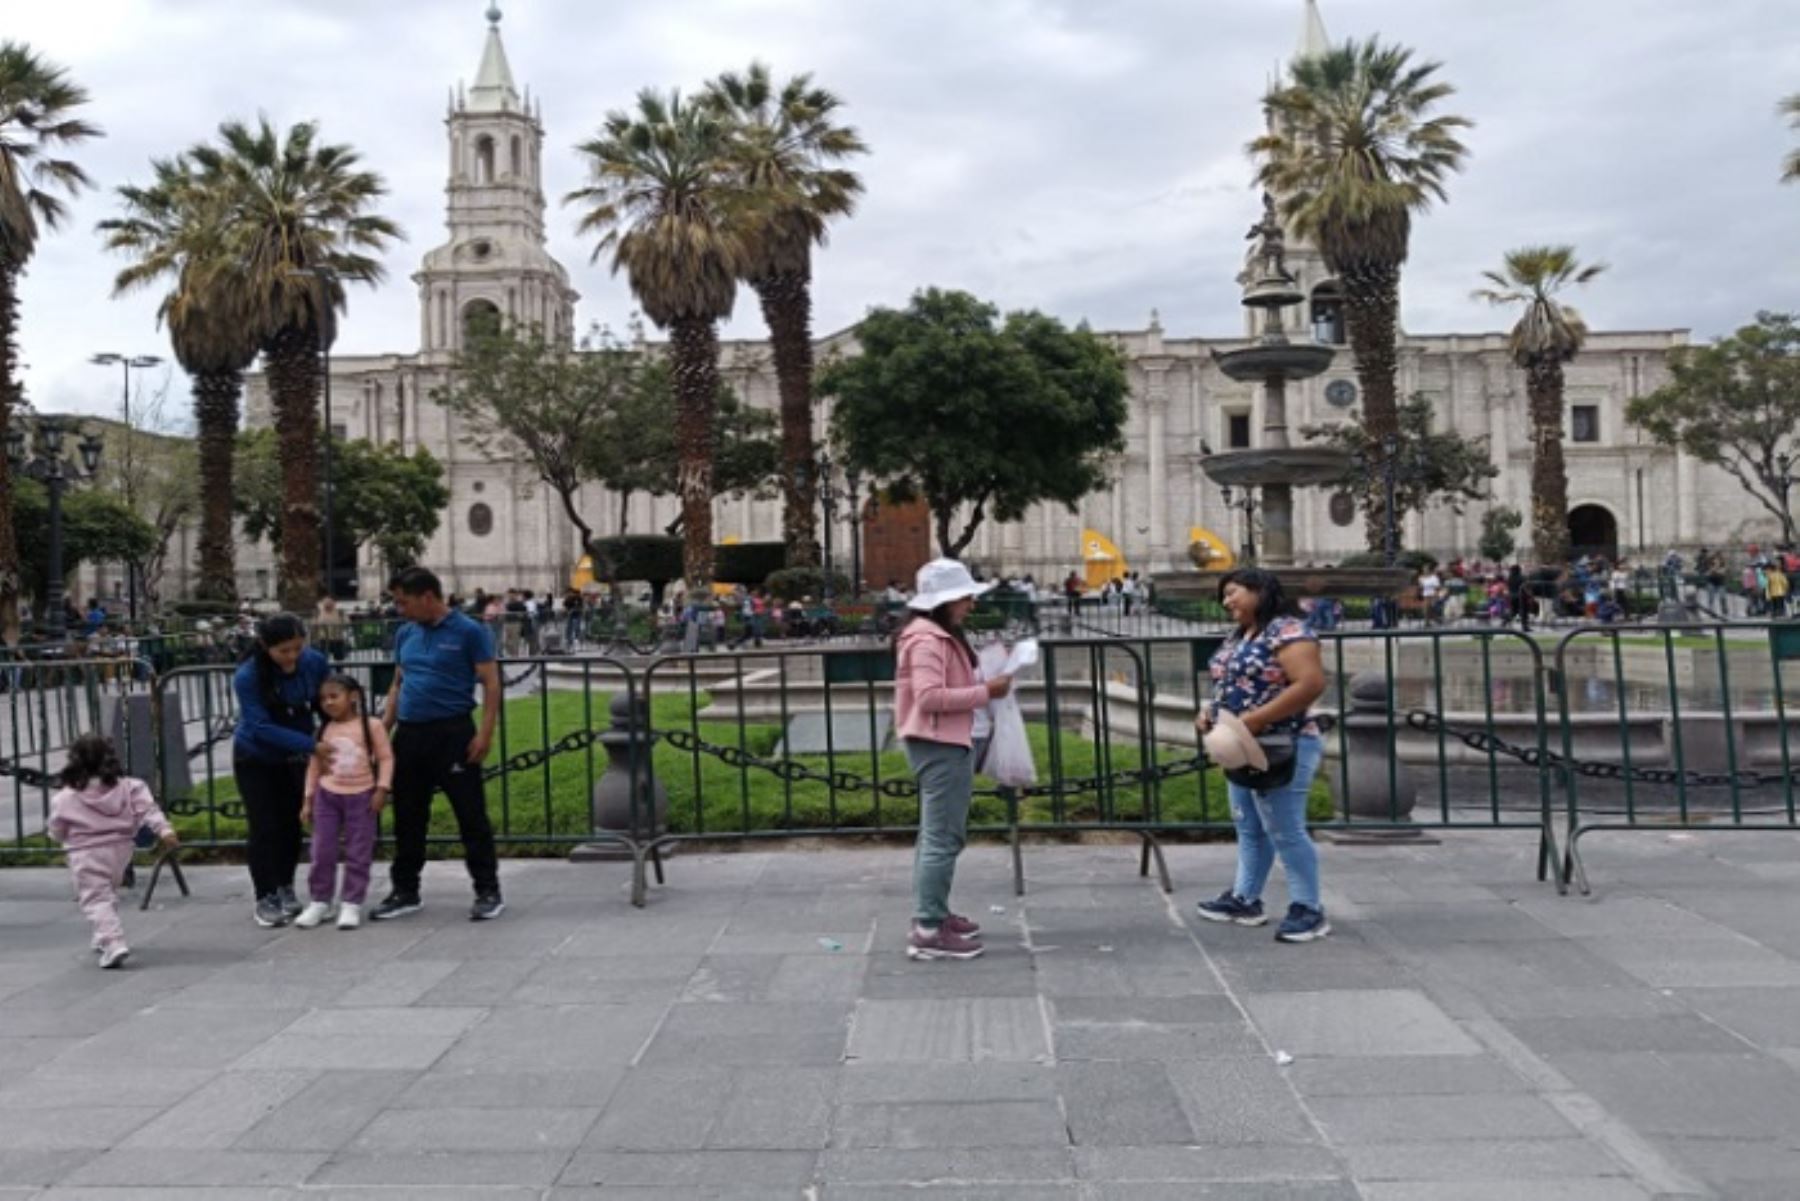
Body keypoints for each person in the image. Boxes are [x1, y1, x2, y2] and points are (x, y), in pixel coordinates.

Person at [1194, 568, 1331, 942]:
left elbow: (1311, 683)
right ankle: (1245, 898)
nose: (1226, 602)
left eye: (1233, 593)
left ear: (1260, 590)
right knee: (1250, 827)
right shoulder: (1240, 635)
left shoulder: (1289, 631)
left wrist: (1256, 720)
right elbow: (1228, 682)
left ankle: (1309, 908)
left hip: (1284, 742)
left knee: (1286, 830)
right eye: (1224, 596)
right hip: (1240, 745)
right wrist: (1209, 711)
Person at [894, 558, 1012, 962]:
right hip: (939, 742)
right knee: (943, 838)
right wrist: (986, 692)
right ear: (944, 601)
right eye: (964, 597)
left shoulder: (936, 636)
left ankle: (935, 915)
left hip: (945, 740)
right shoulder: (928, 641)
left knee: (937, 836)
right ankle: (928, 927)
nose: (970, 605)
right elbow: (929, 698)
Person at [374, 567, 504, 922]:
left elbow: (492, 683)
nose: (399, 609)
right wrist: (382, 731)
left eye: (404, 601)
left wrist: (485, 734)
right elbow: (398, 684)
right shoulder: (405, 634)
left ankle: (487, 890)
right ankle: (405, 890)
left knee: (470, 814)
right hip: (411, 735)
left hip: (453, 733)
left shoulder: (469, 631)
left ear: (427, 597)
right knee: (408, 816)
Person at [232, 613, 331, 928]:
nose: (291, 657)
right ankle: (265, 895)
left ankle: (285, 885)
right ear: (265, 646)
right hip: (256, 755)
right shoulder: (248, 676)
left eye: (297, 648)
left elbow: (326, 699)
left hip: (297, 754)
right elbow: (258, 725)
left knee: (291, 823)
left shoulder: (313, 662)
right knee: (264, 826)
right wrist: (309, 743)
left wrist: (339, 729)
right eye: (283, 651)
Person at [47, 733, 178, 969]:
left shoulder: (65, 797)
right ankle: (102, 933)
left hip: (85, 852)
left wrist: (57, 837)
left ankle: (113, 943)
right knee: (107, 892)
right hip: (121, 850)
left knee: (95, 898)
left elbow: (57, 827)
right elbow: (148, 810)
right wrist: (164, 830)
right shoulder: (130, 787)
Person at [297, 674, 394, 931]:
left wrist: (382, 789)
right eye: (323, 698)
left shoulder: (371, 726)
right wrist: (308, 798)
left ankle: (352, 901)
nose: (328, 703)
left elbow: (385, 758)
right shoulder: (323, 729)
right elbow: (314, 765)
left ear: (353, 696)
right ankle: (320, 900)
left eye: (334, 696)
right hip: (327, 795)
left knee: (358, 851)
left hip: (361, 795)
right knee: (322, 850)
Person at [313, 596, 348, 661]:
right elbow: (314, 625)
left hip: (337, 638)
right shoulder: (319, 613)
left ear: (334, 604)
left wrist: (341, 624)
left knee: (339, 660)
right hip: (324, 639)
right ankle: (324, 670)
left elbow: (347, 623)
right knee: (323, 659)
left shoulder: (340, 612)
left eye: (329, 603)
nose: (327, 605)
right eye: (326, 603)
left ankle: (339, 671)